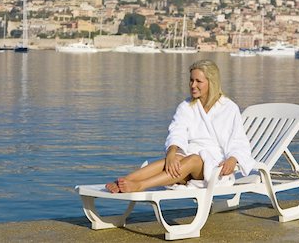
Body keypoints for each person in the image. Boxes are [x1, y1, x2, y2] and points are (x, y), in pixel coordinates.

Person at [106, 59, 256, 193]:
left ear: (211, 82)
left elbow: (239, 140)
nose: (193, 85)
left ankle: (141, 185)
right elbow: (176, 131)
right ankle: (122, 181)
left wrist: (233, 159)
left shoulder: (228, 108)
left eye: (198, 81)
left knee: (194, 160)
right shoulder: (186, 106)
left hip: (213, 166)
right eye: (191, 80)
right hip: (186, 163)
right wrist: (171, 153)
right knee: (173, 159)